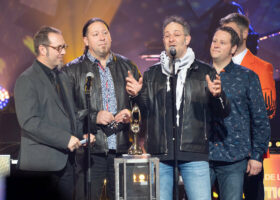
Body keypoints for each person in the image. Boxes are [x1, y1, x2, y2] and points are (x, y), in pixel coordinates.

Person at [126, 15, 230, 200]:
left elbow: (222, 112)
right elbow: (145, 111)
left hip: (194, 152)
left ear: (187, 39)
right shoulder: (152, 74)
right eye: (167, 35)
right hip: (160, 153)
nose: (171, 39)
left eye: (176, 34)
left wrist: (218, 96)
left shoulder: (205, 72)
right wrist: (136, 95)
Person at [14, 26, 95, 200]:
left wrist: (81, 136)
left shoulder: (63, 77)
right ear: (42, 49)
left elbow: (69, 114)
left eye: (64, 46)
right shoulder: (26, 79)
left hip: (66, 164)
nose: (63, 52)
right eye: (59, 48)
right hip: (40, 166)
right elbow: (29, 121)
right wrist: (65, 139)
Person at [64, 18, 141, 200]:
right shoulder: (72, 70)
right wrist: (93, 116)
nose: (102, 38)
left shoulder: (127, 66)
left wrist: (131, 113)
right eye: (95, 34)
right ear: (85, 40)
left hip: (122, 148)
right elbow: (65, 111)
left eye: (105, 33)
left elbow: (143, 104)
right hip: (90, 151)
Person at [209, 26, 270, 200]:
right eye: (214, 41)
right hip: (201, 156)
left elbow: (260, 118)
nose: (216, 45)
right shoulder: (199, 74)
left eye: (222, 42)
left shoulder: (247, 77)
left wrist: (257, 155)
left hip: (234, 157)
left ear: (233, 49)